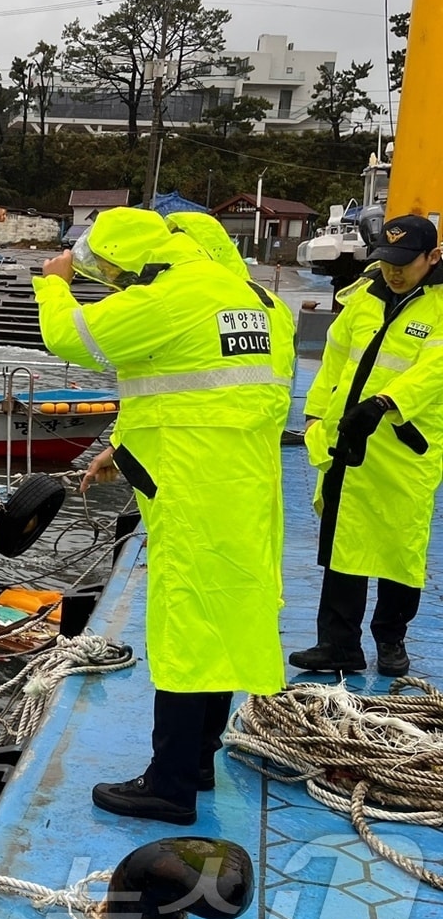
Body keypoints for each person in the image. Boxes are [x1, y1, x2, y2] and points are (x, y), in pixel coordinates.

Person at [36, 207, 291, 826]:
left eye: (117, 273)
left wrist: (54, 280)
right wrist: (119, 450)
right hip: (244, 483)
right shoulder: (256, 300)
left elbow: (71, 335)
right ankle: (200, 758)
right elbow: (190, 387)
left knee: (184, 626)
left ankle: (169, 784)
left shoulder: (173, 295)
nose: (119, 285)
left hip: (190, 486)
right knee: (223, 613)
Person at [290, 215, 443, 678]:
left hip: (402, 446)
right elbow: (335, 358)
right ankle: (338, 643)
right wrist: (315, 414)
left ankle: (390, 637)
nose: (394, 271)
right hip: (347, 442)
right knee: (342, 542)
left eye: (405, 262)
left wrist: (386, 403)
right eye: (387, 260)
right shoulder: (364, 297)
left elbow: (435, 368)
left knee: (399, 545)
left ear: (432, 257)